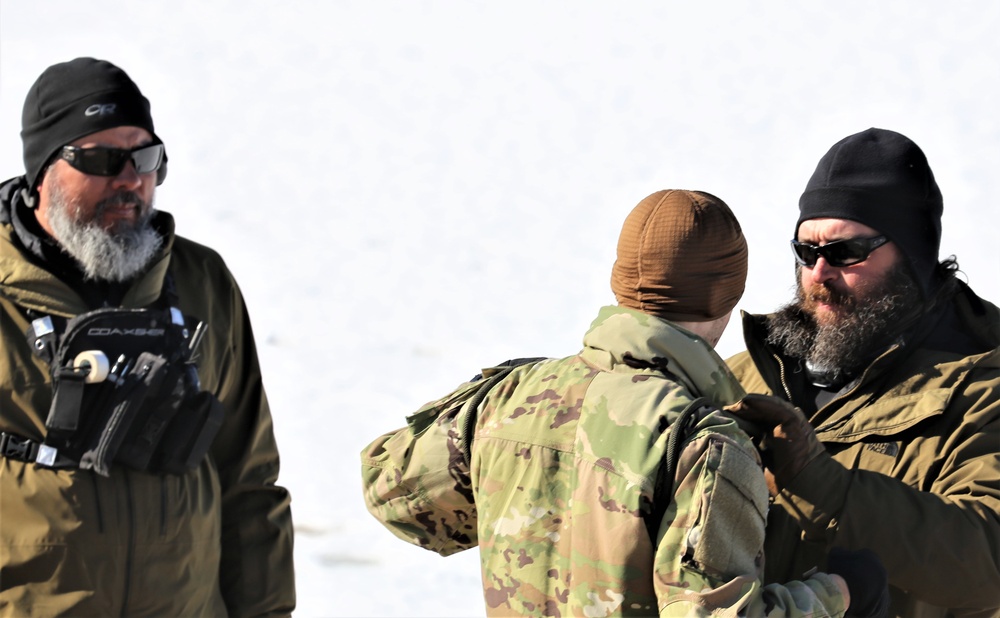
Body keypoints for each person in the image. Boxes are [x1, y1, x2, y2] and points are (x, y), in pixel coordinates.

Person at [362, 190, 888, 617]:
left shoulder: (513, 395)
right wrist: (838, 593)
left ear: (621, 283)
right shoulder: (704, 441)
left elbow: (394, 495)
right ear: (728, 295)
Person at [0, 57, 295, 616]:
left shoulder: (203, 283)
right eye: (101, 158)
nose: (130, 178)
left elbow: (249, 479)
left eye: (145, 157)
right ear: (41, 171)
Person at [726, 127, 1000, 617]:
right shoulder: (742, 377)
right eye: (806, 251)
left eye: (845, 252)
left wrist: (821, 484)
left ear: (912, 257)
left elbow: (987, 566)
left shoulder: (981, 390)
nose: (818, 273)